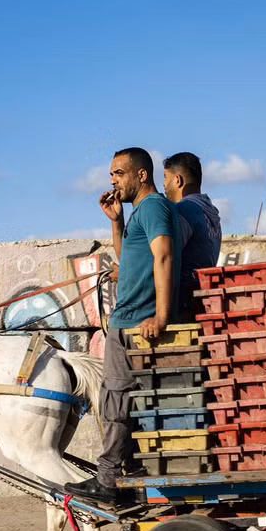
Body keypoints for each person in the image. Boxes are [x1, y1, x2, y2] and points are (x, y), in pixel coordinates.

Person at [62, 147, 181, 504]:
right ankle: (124, 474)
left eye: (118, 173)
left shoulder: (154, 207)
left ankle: (110, 480)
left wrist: (161, 315)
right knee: (119, 400)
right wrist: (115, 221)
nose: (112, 180)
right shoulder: (139, 213)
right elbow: (130, 258)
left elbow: (165, 255)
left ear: (140, 175)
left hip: (133, 322)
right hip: (126, 320)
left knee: (115, 399)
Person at [162, 151, 223, 316]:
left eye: (165, 178)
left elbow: (166, 256)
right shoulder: (210, 213)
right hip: (201, 298)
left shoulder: (185, 210)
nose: (163, 185)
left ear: (177, 180)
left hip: (182, 302)